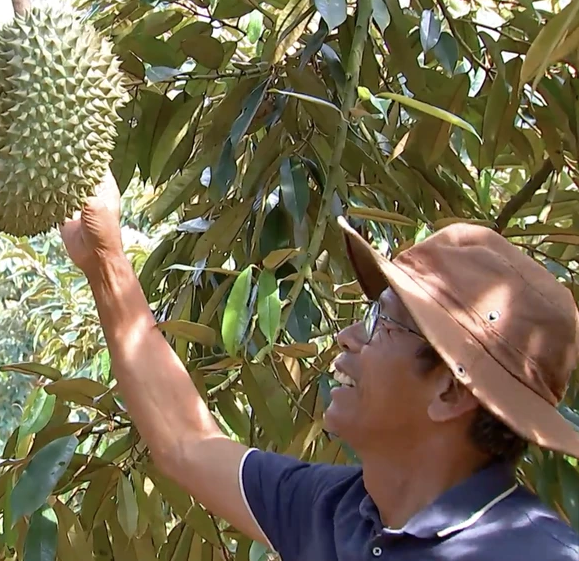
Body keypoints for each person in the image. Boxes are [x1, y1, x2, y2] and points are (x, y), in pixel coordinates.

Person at [60, 173, 579, 560]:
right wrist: (104, 261)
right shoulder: (337, 512)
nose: (347, 336)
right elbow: (186, 443)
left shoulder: (537, 552)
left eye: (380, 323)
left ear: (450, 391)